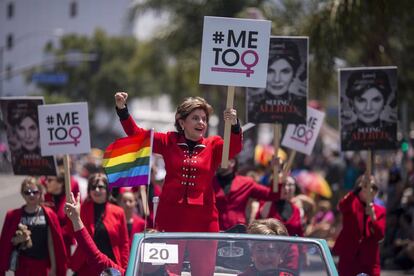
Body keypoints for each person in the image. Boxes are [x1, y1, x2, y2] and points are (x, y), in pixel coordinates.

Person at [115, 91, 242, 275]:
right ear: (182, 122)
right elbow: (137, 135)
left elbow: (234, 148)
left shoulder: (214, 145)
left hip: (204, 219)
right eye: (195, 118)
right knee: (167, 270)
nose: (201, 123)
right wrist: (122, 109)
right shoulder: (168, 141)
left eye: (204, 119)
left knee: (204, 272)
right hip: (171, 216)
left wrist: (235, 125)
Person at [0, 177, 67, 276]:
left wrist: (53, 268)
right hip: (22, 266)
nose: (31, 195)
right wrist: (18, 240)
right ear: (23, 194)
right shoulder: (13, 215)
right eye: (27, 192)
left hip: (42, 266)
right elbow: (5, 243)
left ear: (40, 193)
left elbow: (52, 243)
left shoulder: (48, 214)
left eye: (34, 192)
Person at [68, 173, 130, 276]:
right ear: (89, 190)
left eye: (100, 187)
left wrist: (126, 268)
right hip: (86, 266)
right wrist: (71, 215)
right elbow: (72, 233)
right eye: (93, 187)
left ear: (107, 190)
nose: (96, 190)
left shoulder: (118, 211)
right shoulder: (81, 209)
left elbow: (124, 243)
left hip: (111, 266)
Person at [332, 175, 386, 276]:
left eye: (374, 187)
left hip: (369, 260)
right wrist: (359, 187)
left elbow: (380, 235)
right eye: (366, 186)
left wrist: (373, 217)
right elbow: (342, 206)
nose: (370, 189)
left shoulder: (380, 210)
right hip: (349, 259)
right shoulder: (352, 203)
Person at [247, 39, 306, 124]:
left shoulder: (301, 106)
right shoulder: (252, 105)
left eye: (285, 71)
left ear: (294, 73)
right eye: (270, 71)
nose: (277, 79)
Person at [213, 158, 279, 231]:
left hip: (238, 231)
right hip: (216, 229)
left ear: (232, 162)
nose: (218, 162)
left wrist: (275, 171)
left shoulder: (246, 183)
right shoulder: (209, 181)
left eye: (222, 159)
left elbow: (272, 195)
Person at [341, 69, 397, 150]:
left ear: (385, 101)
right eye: (361, 100)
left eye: (376, 100)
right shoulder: (345, 135)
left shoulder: (392, 134)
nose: (368, 108)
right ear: (351, 103)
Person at [5, 100, 56, 175]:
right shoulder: (16, 161)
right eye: (21, 129)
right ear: (15, 131)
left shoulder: (53, 160)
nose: (27, 136)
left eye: (32, 128)